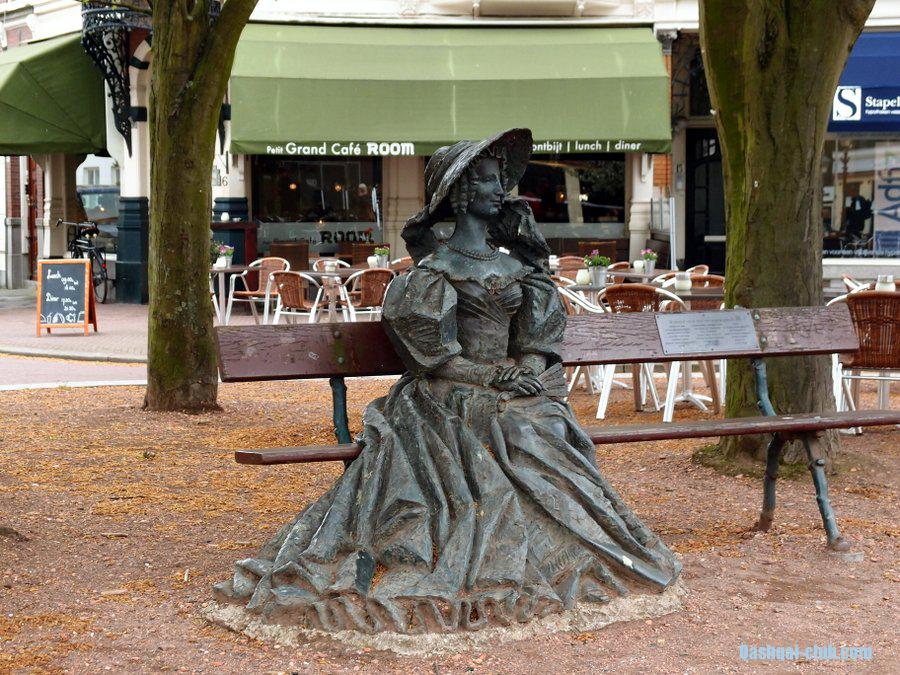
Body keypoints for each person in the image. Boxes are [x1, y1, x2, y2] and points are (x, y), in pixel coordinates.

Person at [214, 129, 681, 634]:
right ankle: (490, 553)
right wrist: (493, 375)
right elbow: (435, 360)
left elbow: (536, 338)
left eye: (499, 179)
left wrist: (525, 369)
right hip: (448, 394)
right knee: (515, 429)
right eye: (487, 180)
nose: (499, 189)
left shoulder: (518, 268)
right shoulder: (434, 273)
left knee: (545, 422)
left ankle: (567, 551)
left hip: (511, 389)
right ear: (460, 193)